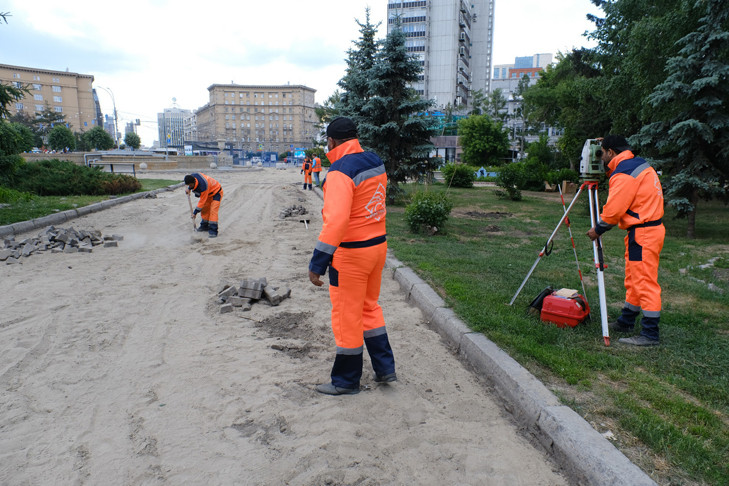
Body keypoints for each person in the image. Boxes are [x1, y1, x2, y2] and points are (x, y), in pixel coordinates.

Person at [308, 116, 396, 395]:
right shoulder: (374, 161)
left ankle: (346, 381)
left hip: (352, 255)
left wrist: (317, 263)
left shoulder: (339, 172)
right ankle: (385, 368)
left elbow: (335, 222)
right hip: (377, 247)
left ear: (331, 142)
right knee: (370, 307)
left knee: (347, 315)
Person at [587, 135, 665, 346]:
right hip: (644, 231)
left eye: (601, 153)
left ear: (611, 152)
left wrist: (598, 229)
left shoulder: (624, 173)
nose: (600, 158)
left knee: (646, 282)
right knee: (634, 279)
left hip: (644, 233)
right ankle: (626, 321)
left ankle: (650, 334)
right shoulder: (636, 164)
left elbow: (614, 210)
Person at [184, 173, 223, 238]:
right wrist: (189, 189)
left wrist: (195, 213)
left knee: (213, 211)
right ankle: (204, 226)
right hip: (208, 193)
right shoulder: (192, 176)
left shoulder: (203, 186)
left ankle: (213, 231)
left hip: (216, 193)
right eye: (189, 185)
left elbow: (202, 202)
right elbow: (191, 185)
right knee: (204, 209)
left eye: (190, 185)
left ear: (194, 182)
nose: (190, 186)